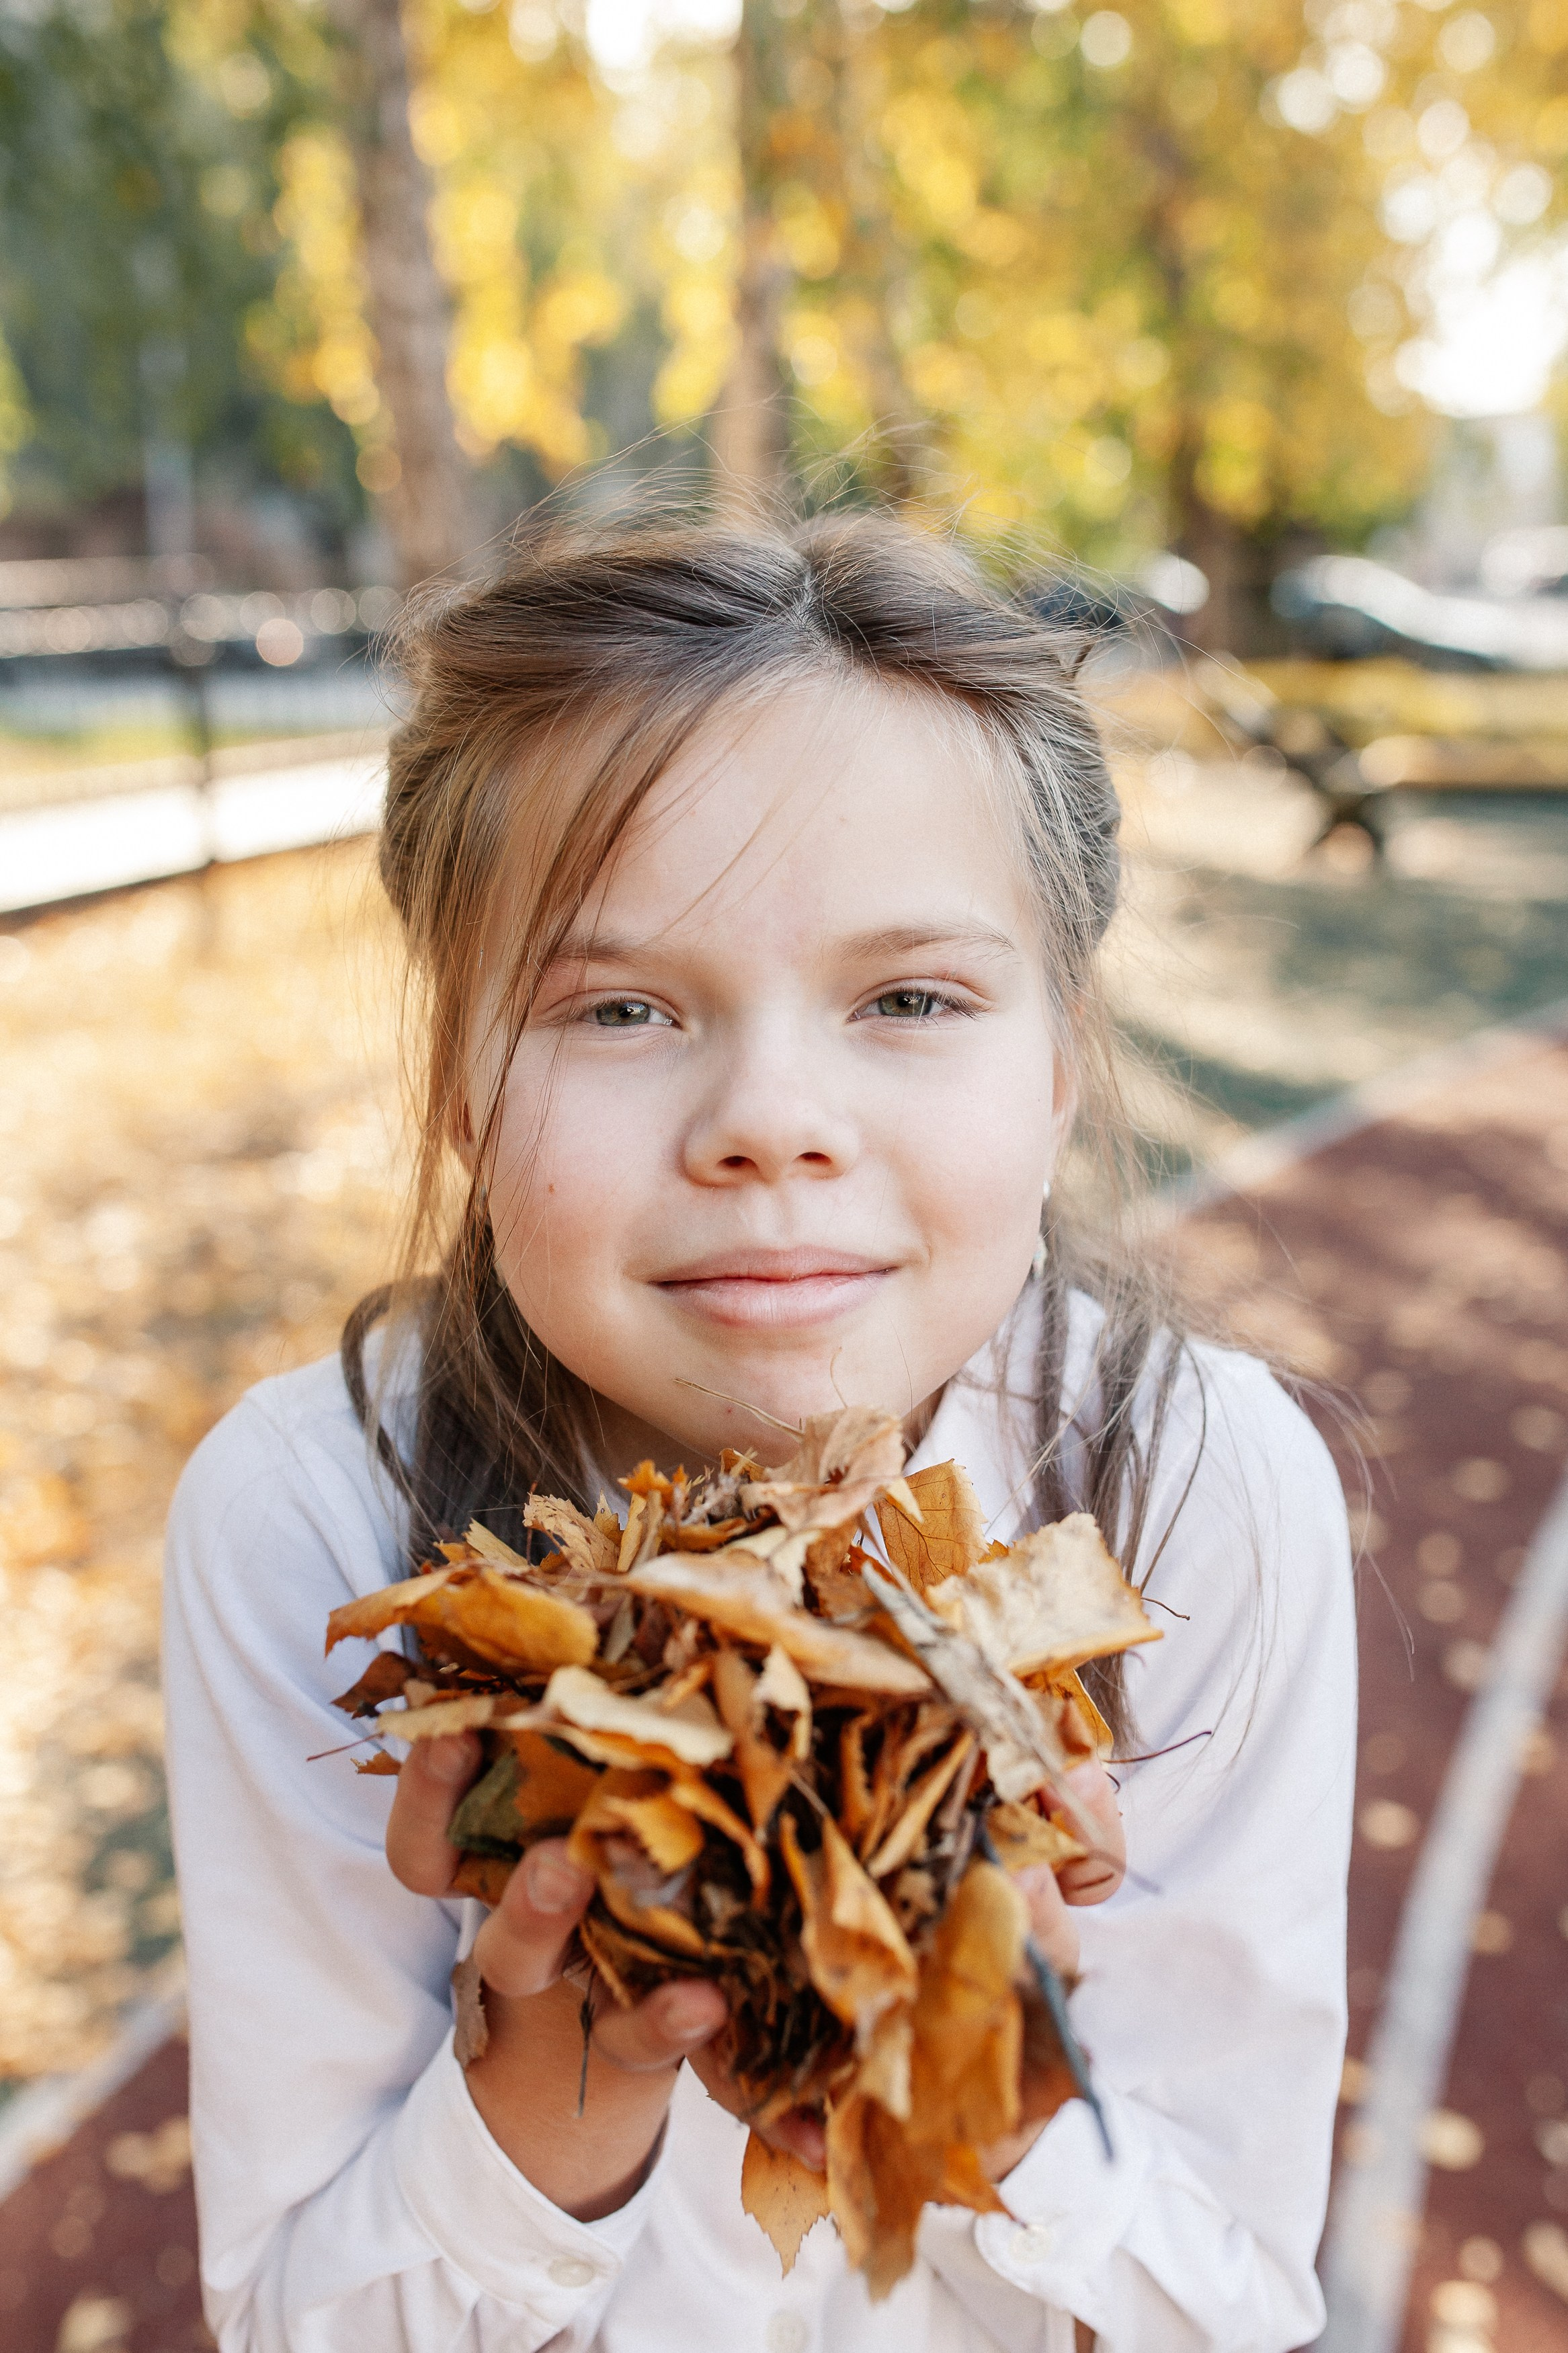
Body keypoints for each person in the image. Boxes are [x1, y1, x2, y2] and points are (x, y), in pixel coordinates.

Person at [163, 512, 1356, 2353]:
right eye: (621, 1007)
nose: (772, 1119)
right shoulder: (310, 1513)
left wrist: (966, 2044)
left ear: (1059, 1061)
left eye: (910, 998)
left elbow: (1227, 2300)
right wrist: (550, 2081)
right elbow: (298, 2318)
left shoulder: (1199, 1487)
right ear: (461, 1083)